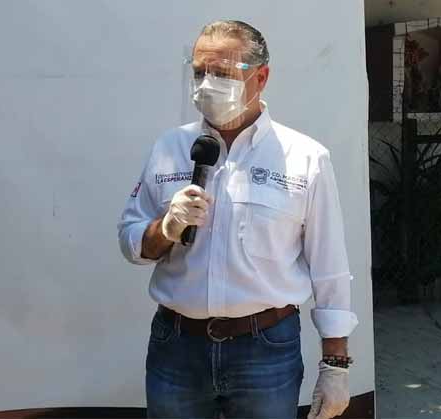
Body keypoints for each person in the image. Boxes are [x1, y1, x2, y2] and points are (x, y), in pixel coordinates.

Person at [118, 20, 357, 419]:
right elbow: (131, 244)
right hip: (177, 347)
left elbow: (329, 265)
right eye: (199, 72)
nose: (206, 85)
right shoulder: (169, 147)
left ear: (260, 78)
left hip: (266, 349)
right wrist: (167, 227)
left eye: (223, 73)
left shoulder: (304, 157)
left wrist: (335, 363)